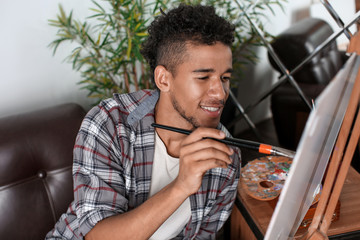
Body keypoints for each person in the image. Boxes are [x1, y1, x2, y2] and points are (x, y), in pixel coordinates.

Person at [46, 4, 241, 240]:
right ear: (163, 79)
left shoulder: (226, 155)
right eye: (203, 77)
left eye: (225, 78)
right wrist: (181, 186)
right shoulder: (110, 125)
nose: (220, 93)